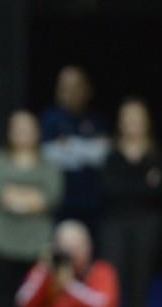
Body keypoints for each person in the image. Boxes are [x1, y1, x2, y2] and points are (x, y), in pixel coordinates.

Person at [0, 110, 64, 307]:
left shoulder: (47, 163)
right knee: (1, 295)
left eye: (28, 129)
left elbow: (51, 195)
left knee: (39, 297)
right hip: (3, 240)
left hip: (36, 243)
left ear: (37, 132)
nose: (23, 134)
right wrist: (30, 198)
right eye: (18, 129)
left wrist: (17, 197)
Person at [99, 98, 162, 307]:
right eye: (127, 118)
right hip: (115, 223)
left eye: (137, 118)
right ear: (120, 122)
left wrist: (133, 189)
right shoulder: (112, 154)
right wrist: (143, 186)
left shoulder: (156, 154)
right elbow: (110, 189)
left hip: (146, 224)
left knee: (140, 280)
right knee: (113, 280)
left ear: (146, 122)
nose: (133, 123)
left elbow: (160, 190)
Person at [40, 66, 110, 232]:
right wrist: (88, 148)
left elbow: (103, 156)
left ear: (87, 89)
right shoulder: (50, 119)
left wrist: (69, 147)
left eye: (75, 87)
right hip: (59, 203)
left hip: (92, 202)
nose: (70, 93)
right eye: (65, 88)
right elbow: (47, 155)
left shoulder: (97, 119)